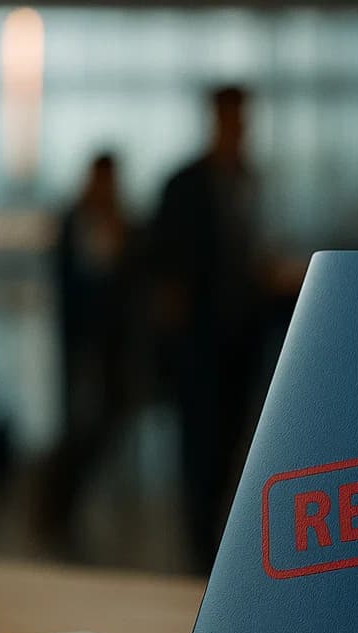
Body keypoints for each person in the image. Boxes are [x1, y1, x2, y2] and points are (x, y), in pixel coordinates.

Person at [151, 85, 265, 573]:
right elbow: (163, 266)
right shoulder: (185, 185)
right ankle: (201, 548)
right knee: (200, 444)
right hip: (200, 341)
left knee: (230, 440)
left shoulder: (245, 181)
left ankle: (215, 537)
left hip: (240, 336)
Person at [40, 152, 135, 554]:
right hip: (83, 344)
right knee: (81, 426)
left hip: (111, 346)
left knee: (102, 425)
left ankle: (59, 502)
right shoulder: (75, 221)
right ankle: (57, 504)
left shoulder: (121, 223)